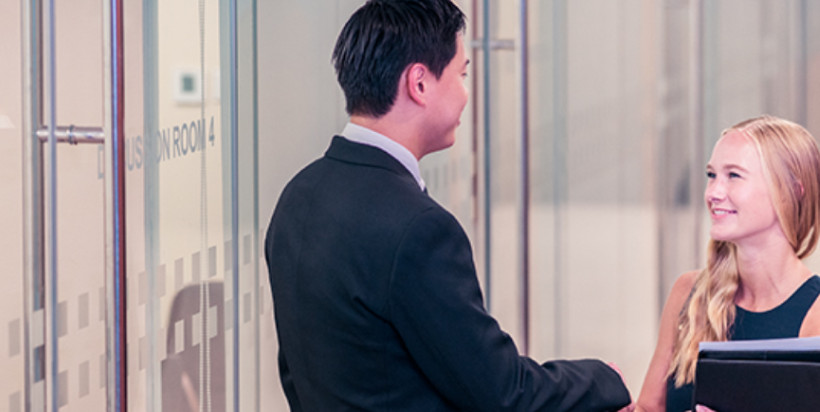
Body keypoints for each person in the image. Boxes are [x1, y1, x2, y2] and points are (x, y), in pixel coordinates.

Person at [263, 1, 632, 411]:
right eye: (462, 73)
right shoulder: (419, 229)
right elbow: (502, 391)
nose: (466, 93)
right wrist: (603, 380)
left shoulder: (298, 196)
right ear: (418, 83)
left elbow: (296, 375)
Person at [631, 116, 820, 412]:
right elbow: (648, 408)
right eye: (711, 175)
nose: (713, 193)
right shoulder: (687, 295)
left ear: (791, 191)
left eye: (733, 175)